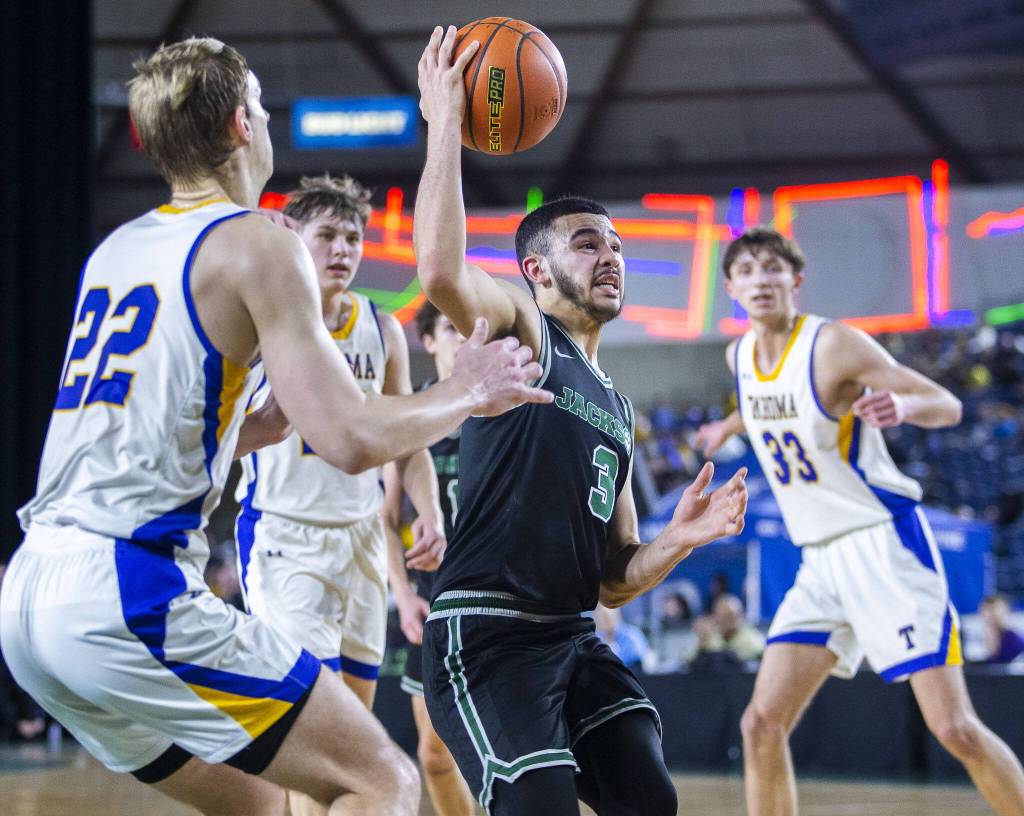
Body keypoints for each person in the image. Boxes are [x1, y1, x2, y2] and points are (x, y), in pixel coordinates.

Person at [0, 37, 550, 816]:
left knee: (260, 805)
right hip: (127, 588)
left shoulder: (115, 251)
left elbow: (155, 428)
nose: (264, 119)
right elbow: (352, 439)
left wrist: (249, 428)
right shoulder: (260, 241)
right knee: (381, 781)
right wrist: (465, 389)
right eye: (259, 106)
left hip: (30, 597)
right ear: (238, 126)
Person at [415, 26, 748, 816]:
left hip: (572, 636)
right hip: (487, 635)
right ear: (536, 270)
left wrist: (679, 540)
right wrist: (444, 125)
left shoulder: (616, 403)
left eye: (619, 246)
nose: (611, 257)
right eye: (588, 242)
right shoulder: (526, 333)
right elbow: (439, 270)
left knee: (649, 799)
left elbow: (614, 574)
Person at [696, 226, 1024, 816]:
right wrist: (727, 429)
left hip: (883, 542)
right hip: (819, 561)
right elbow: (768, 403)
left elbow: (943, 403)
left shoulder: (835, 345)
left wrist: (902, 406)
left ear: (795, 280)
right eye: (746, 270)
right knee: (760, 723)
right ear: (731, 290)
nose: (760, 279)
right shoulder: (738, 356)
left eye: (773, 268)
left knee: (955, 730)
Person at [235, 173, 445, 715]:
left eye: (352, 239)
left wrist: (430, 511)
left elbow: (407, 439)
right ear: (296, 242)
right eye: (327, 235)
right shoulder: (258, 322)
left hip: (363, 540)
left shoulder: (381, 329)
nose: (342, 249)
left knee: (356, 727)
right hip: (286, 536)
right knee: (314, 722)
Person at [384, 300, 476, 816]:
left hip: (497, 599)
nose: (462, 335)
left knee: (513, 751)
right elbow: (385, 517)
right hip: (432, 603)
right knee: (435, 756)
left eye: (468, 326)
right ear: (429, 341)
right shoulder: (410, 412)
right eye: (449, 327)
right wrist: (400, 593)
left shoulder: (508, 408)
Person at [687, 594, 765, 666]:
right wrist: (702, 643)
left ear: (741, 616)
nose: (726, 621)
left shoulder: (752, 639)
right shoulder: (710, 638)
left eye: (730, 616)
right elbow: (687, 660)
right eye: (722, 617)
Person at [593, 603, 652, 674]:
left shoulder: (632, 635)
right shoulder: (595, 638)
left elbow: (642, 663)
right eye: (601, 617)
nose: (605, 621)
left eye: (608, 617)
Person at [979, 594, 1024, 664]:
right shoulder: (977, 638)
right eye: (986, 609)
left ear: (1006, 611)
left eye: (993, 609)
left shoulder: (1015, 640)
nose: (990, 614)